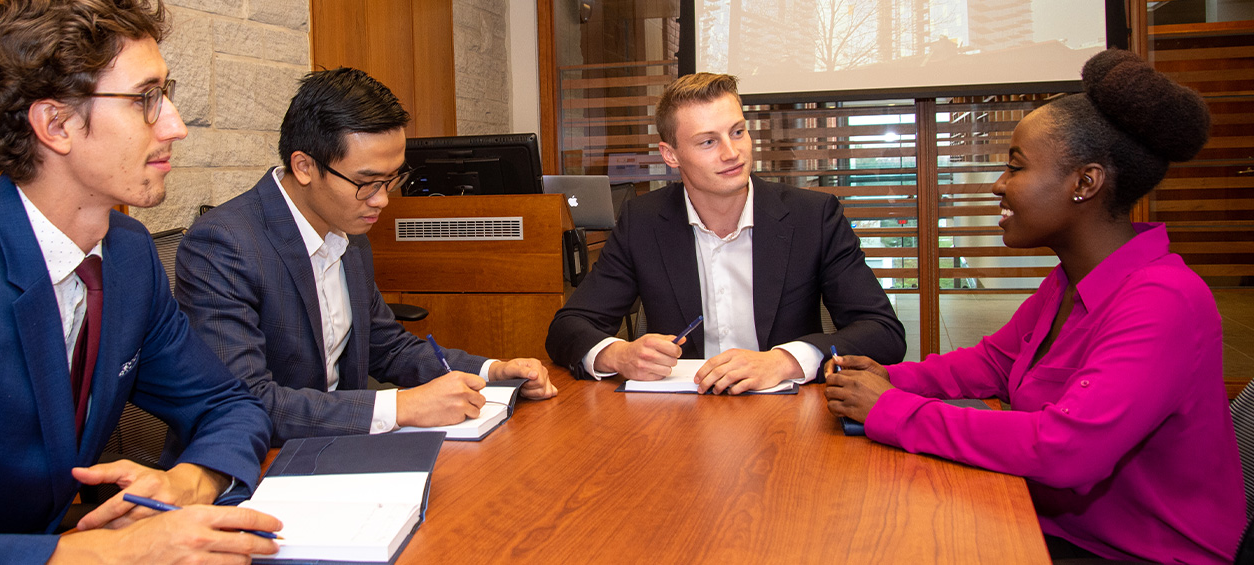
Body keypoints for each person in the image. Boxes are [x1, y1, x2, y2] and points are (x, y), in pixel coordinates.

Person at [0, 1, 283, 562]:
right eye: (144, 99)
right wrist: (101, 555)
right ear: (56, 125)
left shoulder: (128, 256)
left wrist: (190, 482)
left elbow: (231, 405)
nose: (174, 125)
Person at [824, 49, 1243, 564]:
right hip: (1050, 524)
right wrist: (888, 378)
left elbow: (1066, 451)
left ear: (1084, 184)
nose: (999, 185)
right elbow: (992, 364)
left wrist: (891, 409)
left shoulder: (1164, 301)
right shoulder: (1069, 281)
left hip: (1134, 554)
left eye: (1015, 167)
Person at [174, 67, 557, 442]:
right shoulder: (223, 245)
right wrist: (402, 407)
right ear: (304, 166)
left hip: (338, 449)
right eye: (366, 182)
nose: (382, 200)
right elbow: (247, 401)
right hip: (253, 467)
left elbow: (386, 345)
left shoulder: (349, 232)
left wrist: (493, 371)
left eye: (392, 180)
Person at [545, 72, 905, 393]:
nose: (733, 153)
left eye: (737, 132)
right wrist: (619, 354)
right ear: (671, 155)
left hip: (790, 419)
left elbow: (883, 333)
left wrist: (785, 361)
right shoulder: (643, 222)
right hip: (682, 422)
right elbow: (568, 327)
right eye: (708, 142)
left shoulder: (813, 216)